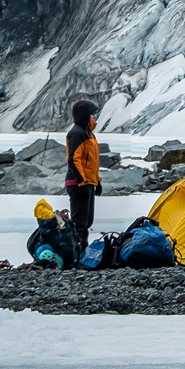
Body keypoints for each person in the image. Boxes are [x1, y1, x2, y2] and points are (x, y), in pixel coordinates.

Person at [65, 99, 102, 257]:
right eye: (93, 114)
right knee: (79, 223)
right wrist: (81, 182)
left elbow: (91, 163)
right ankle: (77, 255)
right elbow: (74, 160)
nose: (95, 116)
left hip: (88, 183)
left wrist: (97, 181)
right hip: (78, 183)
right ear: (84, 115)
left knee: (87, 222)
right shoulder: (77, 133)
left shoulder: (89, 133)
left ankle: (83, 253)